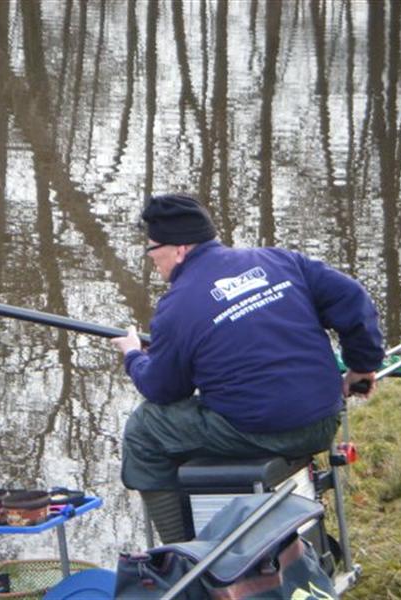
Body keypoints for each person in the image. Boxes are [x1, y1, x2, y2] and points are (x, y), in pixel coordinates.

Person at [111, 193, 384, 544]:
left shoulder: (176, 307)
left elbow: (164, 390)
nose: (152, 262)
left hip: (263, 430)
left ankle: (182, 555)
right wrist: (362, 365)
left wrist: (134, 356)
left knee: (145, 429)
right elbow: (353, 298)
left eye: (152, 252)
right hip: (323, 420)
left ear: (178, 249)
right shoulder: (279, 261)